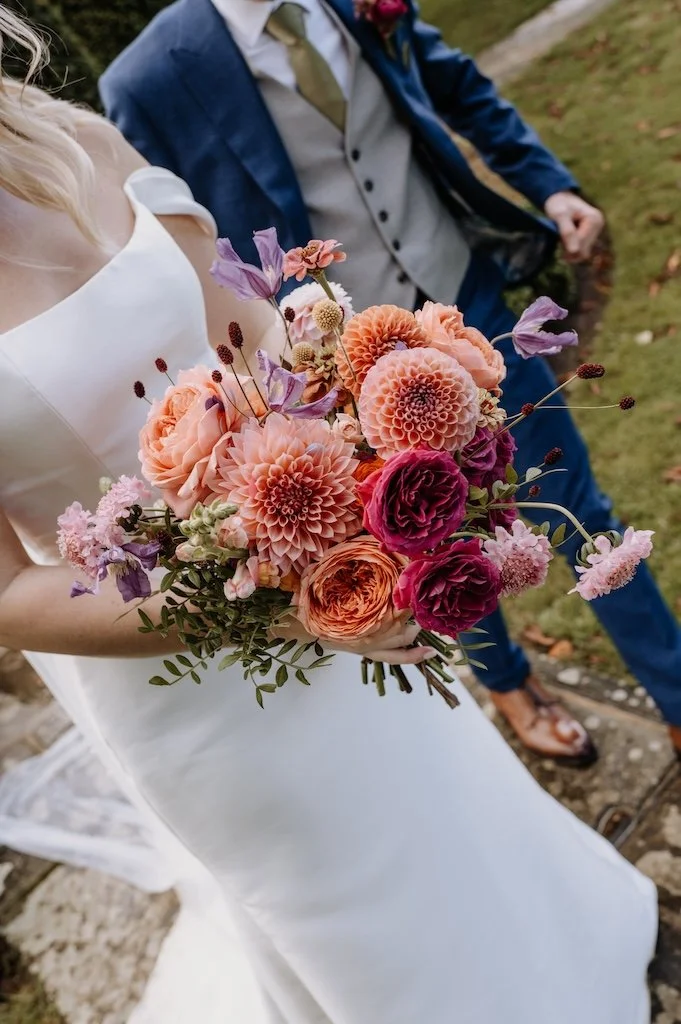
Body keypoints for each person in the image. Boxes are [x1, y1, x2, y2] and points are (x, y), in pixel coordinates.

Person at [0, 6, 658, 1022]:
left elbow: (250, 331)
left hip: (336, 568)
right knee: (347, 899)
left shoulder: (84, 139)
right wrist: (259, 601)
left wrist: (359, 464)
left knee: (449, 804)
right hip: (178, 683)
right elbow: (6, 595)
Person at [100, 0, 681, 766]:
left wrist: (549, 186)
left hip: (462, 305)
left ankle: (674, 693)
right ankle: (506, 681)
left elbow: (457, 85)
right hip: (336, 365)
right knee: (426, 539)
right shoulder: (143, 79)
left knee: (573, 498)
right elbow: (168, 257)